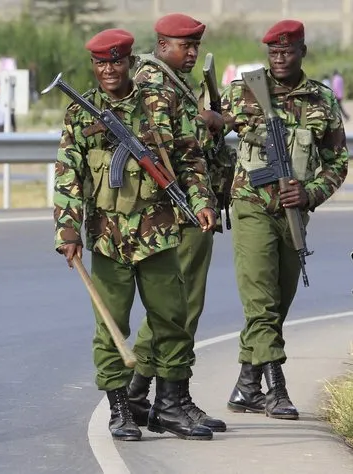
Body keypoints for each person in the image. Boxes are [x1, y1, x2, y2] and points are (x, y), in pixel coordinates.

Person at [53, 28, 218, 441]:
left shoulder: (160, 104)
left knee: (172, 319)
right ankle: (120, 409)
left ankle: (171, 405)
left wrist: (201, 201)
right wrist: (68, 228)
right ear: (94, 66)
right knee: (112, 327)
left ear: (130, 62)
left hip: (158, 232)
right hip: (108, 239)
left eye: (117, 62)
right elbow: (67, 173)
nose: (109, 70)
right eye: (101, 64)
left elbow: (190, 157)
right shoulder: (81, 113)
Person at [222, 20, 348, 420]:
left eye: (287, 52)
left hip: (294, 213)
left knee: (279, 301)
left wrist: (310, 193)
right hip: (251, 206)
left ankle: (246, 386)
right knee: (260, 302)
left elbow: (337, 162)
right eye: (273, 52)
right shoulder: (241, 93)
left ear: (302, 53)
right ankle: (277, 390)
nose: (279, 58)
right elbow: (201, 136)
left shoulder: (323, 101)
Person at [128, 13, 231, 433]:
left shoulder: (172, 81)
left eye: (195, 47)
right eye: (184, 46)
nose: (191, 53)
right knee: (179, 308)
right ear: (162, 44)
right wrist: (206, 126)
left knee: (179, 306)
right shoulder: (155, 83)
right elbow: (171, 149)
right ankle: (163, 398)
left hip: (189, 205)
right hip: (179, 209)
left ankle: (153, 396)